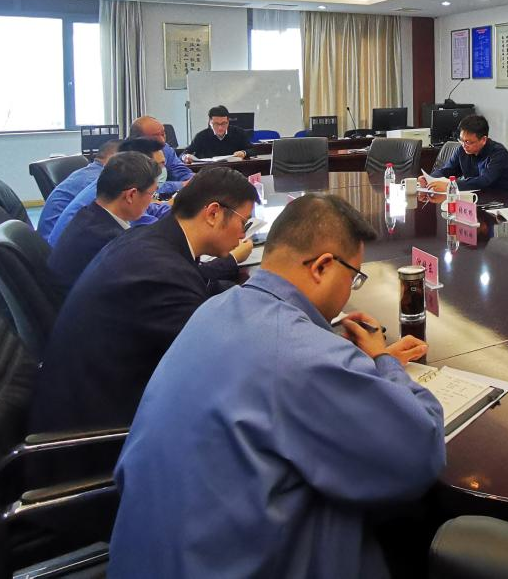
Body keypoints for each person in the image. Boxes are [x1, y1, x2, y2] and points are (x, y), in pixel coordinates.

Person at [108, 193, 443, 578]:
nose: (350, 290)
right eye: (354, 277)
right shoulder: (303, 353)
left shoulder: (213, 310)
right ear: (322, 266)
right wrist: (384, 361)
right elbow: (420, 451)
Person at [31, 166, 259, 434]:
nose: (242, 235)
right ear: (213, 214)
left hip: (88, 399)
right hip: (98, 434)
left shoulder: (149, 240)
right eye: (243, 223)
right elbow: (216, 366)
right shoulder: (162, 275)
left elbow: (198, 287)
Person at [45, 151, 160, 298]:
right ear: (131, 195)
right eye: (152, 194)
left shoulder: (88, 215)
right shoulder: (110, 241)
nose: (152, 201)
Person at [47, 137, 170, 246]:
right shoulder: (107, 235)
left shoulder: (112, 186)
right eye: (158, 166)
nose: (161, 171)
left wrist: (176, 210)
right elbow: (155, 235)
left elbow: (149, 209)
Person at [36, 139, 119, 238]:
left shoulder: (89, 172)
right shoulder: (99, 180)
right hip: (55, 241)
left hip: (57, 236)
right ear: (115, 158)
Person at [423, 114, 508, 192]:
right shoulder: (462, 150)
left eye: (468, 142)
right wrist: (430, 179)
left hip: (504, 199)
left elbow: (484, 180)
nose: (464, 145)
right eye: (461, 140)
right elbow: (447, 170)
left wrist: (450, 186)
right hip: (478, 198)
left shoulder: (499, 153)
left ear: (483, 140)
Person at [128, 115, 193, 185]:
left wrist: (193, 180)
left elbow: (179, 170)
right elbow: (146, 187)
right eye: (155, 136)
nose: (162, 140)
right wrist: (180, 185)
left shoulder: (165, 148)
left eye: (163, 134)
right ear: (138, 139)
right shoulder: (127, 157)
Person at [184, 105, 254, 162]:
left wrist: (244, 153)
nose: (220, 128)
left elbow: (253, 150)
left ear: (228, 122)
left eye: (223, 123)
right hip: (209, 171)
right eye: (216, 124)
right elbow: (185, 153)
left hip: (234, 170)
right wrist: (186, 157)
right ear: (210, 122)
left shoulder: (238, 133)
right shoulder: (201, 136)